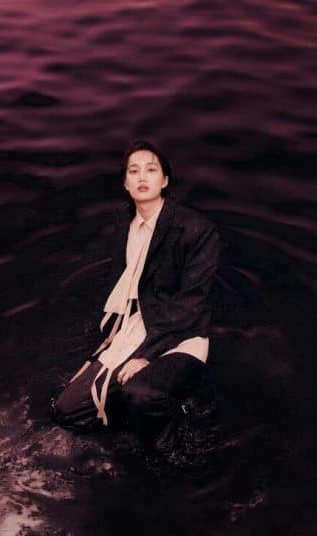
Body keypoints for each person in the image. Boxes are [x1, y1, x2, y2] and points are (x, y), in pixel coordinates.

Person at [51, 140, 220, 452]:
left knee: (140, 394)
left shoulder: (196, 229)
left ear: (164, 180)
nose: (142, 176)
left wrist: (147, 355)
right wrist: (112, 337)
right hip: (135, 329)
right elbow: (121, 284)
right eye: (134, 171)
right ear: (126, 183)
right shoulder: (124, 223)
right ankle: (129, 414)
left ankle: (173, 425)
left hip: (182, 337)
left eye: (151, 170)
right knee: (65, 411)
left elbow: (191, 305)